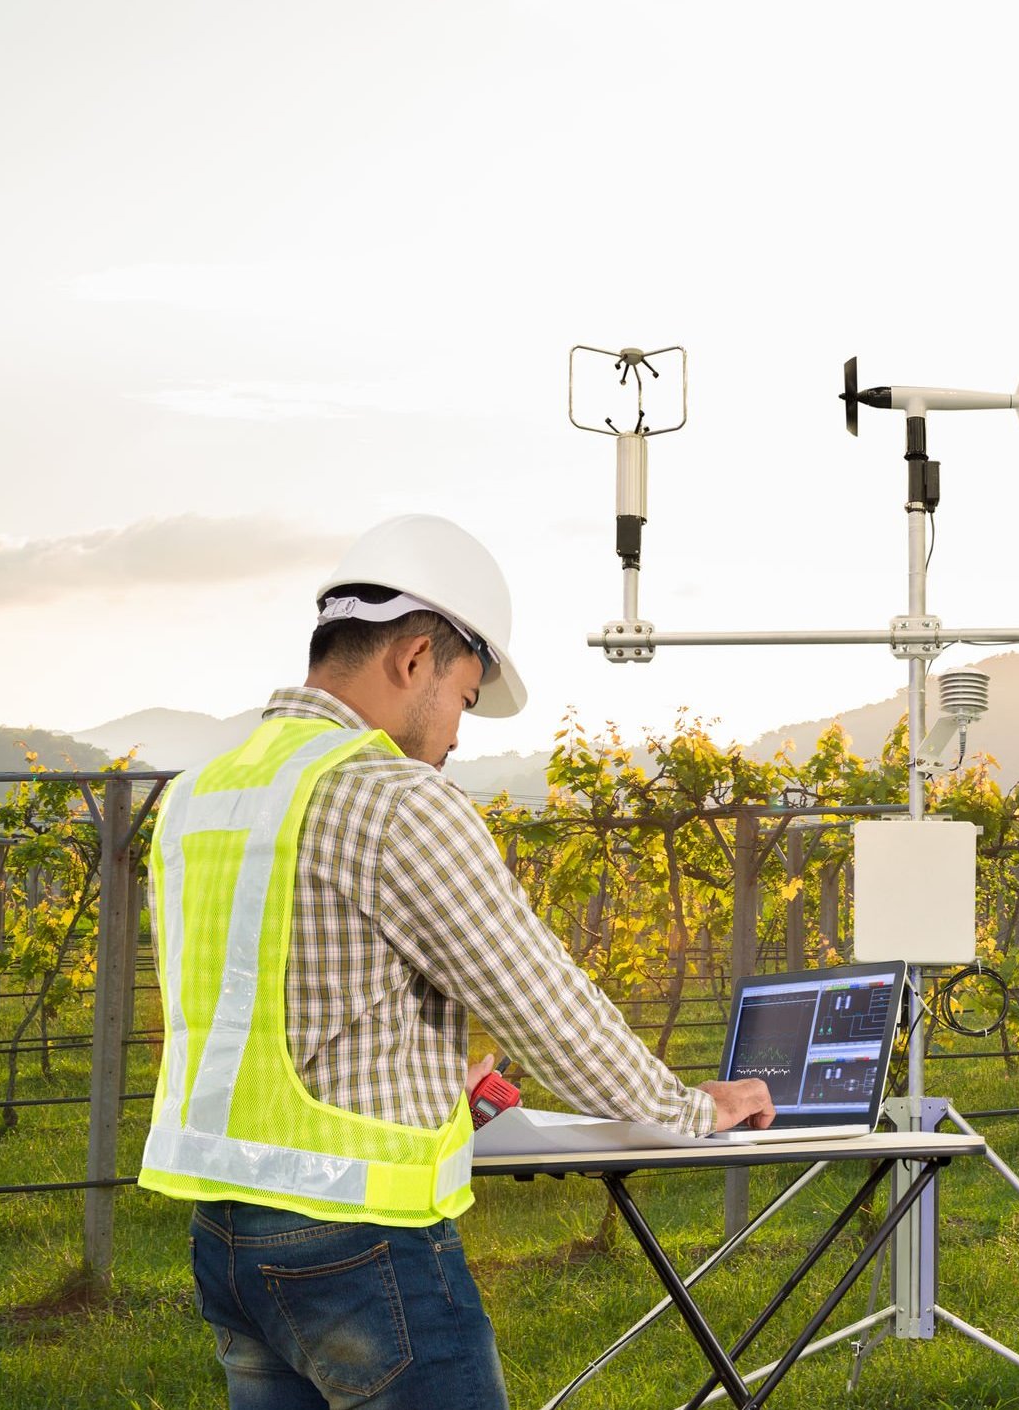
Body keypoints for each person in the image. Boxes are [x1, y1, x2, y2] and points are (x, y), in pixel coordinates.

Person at [137, 513, 776, 1409]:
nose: (458, 736)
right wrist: (689, 1108)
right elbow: (545, 1007)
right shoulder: (392, 797)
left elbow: (266, 1003)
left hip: (227, 1241)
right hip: (362, 1246)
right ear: (414, 658)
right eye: (466, 699)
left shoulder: (199, 797)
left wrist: (424, 1075)